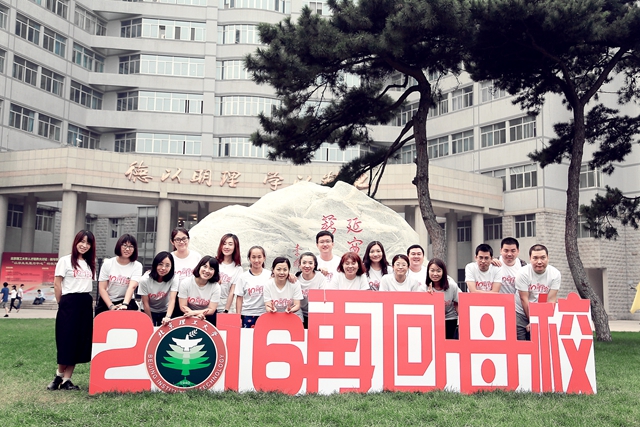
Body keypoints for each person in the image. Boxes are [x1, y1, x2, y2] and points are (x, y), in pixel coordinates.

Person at [47, 230, 96, 391]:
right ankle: (58, 376)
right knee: (65, 339)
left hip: (85, 303)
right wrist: (62, 303)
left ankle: (67, 379)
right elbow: (57, 284)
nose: (84, 245)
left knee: (79, 340)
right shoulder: (65, 260)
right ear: (76, 242)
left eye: (88, 243)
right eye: (82, 241)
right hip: (69, 302)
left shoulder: (89, 263)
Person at [515, 244, 561, 341]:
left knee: (539, 343)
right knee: (521, 343)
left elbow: (551, 300)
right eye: (535, 258)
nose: (539, 262)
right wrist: (533, 320)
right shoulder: (522, 273)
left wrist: (541, 320)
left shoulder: (555, 274)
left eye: (543, 258)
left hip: (541, 313)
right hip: (521, 312)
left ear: (548, 258)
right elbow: (524, 299)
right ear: (530, 259)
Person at [95, 234, 143, 316]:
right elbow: (102, 288)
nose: (127, 249)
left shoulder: (137, 266)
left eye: (131, 246)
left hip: (126, 300)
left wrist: (125, 304)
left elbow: (132, 287)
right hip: (108, 300)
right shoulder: (108, 264)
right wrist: (111, 306)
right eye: (124, 245)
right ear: (119, 246)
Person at [134, 251, 179, 326]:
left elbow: (172, 299)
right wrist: (150, 322)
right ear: (155, 264)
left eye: (167, 265)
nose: (163, 268)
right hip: (148, 310)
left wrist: (167, 317)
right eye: (160, 264)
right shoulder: (144, 280)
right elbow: (145, 303)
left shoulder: (174, 278)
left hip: (165, 310)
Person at [178, 255, 220, 325]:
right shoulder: (186, 283)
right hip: (187, 314)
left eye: (211, 268)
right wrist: (194, 315)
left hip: (207, 316)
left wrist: (195, 313)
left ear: (215, 272)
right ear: (199, 266)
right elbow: (183, 306)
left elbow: (211, 310)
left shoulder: (216, 287)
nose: (207, 271)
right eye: (205, 266)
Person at [235, 246, 270, 328]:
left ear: (264, 258)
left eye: (259, 257)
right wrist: (238, 317)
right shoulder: (243, 277)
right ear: (249, 259)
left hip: (265, 314)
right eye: (253, 257)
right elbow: (239, 298)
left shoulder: (270, 275)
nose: (256, 260)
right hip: (247, 314)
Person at [170, 227, 202, 317]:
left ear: (188, 239)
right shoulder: (170, 258)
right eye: (178, 239)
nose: (181, 242)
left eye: (184, 238)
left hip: (193, 297)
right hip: (174, 297)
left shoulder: (196, 256)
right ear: (172, 242)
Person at [427, 258, 460, 339]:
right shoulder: (424, 287)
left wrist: (462, 320)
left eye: (438, 271)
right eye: (432, 270)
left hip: (450, 318)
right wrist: (429, 297)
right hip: (432, 320)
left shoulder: (452, 286)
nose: (435, 274)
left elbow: (458, 302)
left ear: (443, 272)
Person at [264, 257, 303, 322]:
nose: (282, 272)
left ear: (289, 271)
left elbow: (297, 305)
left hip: (294, 316)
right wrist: (271, 310)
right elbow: (268, 306)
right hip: (275, 317)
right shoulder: (268, 284)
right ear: (273, 270)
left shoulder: (295, 283)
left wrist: (290, 310)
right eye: (278, 269)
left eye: (285, 270)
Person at [295, 252, 325, 328]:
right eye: (304, 263)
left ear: (314, 265)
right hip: (300, 314)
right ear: (299, 265)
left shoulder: (320, 277)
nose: (307, 266)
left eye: (310, 263)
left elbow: (323, 296)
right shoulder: (296, 278)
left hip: (316, 314)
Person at [216, 233, 243, 314]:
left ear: (235, 247)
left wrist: (226, 310)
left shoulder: (238, 269)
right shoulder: (214, 262)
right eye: (224, 244)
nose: (226, 247)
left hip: (225, 306)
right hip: (210, 304)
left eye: (230, 244)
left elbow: (232, 292)